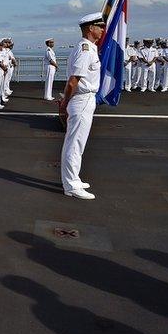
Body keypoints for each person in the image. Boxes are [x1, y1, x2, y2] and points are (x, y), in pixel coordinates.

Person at [59, 13, 105, 201]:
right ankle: (71, 184)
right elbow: (72, 81)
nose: (103, 30)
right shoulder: (85, 49)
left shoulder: (89, 48)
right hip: (82, 99)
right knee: (75, 143)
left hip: (85, 99)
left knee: (78, 142)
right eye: (99, 26)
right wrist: (65, 103)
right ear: (90, 28)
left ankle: (73, 178)